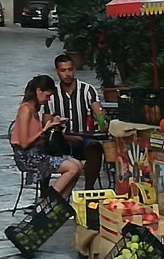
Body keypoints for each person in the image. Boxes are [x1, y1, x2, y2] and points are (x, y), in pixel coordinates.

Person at [11, 76, 82, 199]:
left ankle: (60, 202)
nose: (48, 100)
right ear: (39, 91)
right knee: (72, 168)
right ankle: (48, 202)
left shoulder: (34, 109)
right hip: (29, 156)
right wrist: (44, 129)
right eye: (47, 96)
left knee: (78, 165)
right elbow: (24, 143)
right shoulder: (25, 110)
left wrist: (54, 124)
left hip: (39, 152)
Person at [44, 53, 106, 189]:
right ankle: (45, 192)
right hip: (61, 139)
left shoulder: (87, 90)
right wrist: (63, 133)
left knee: (95, 148)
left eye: (70, 69)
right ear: (57, 72)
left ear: (74, 69)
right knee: (45, 148)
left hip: (85, 138)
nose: (67, 74)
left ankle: (88, 189)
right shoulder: (52, 94)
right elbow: (46, 123)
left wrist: (101, 119)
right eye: (63, 70)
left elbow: (99, 112)